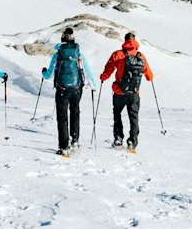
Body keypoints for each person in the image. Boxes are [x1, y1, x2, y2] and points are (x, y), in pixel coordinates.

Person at [41, 27, 96, 157]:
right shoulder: (78, 53)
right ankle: (75, 141)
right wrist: (93, 85)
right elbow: (87, 70)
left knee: (62, 117)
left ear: (62, 39)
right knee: (75, 112)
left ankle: (64, 147)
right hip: (77, 88)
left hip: (62, 89)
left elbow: (48, 75)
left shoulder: (58, 54)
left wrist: (43, 72)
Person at [100, 32, 154, 153]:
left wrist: (103, 77)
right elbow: (149, 75)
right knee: (133, 117)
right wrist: (149, 77)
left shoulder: (118, 54)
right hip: (134, 93)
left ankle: (118, 138)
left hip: (119, 91)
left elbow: (108, 70)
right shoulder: (141, 56)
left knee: (117, 114)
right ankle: (132, 141)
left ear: (124, 41)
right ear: (135, 41)